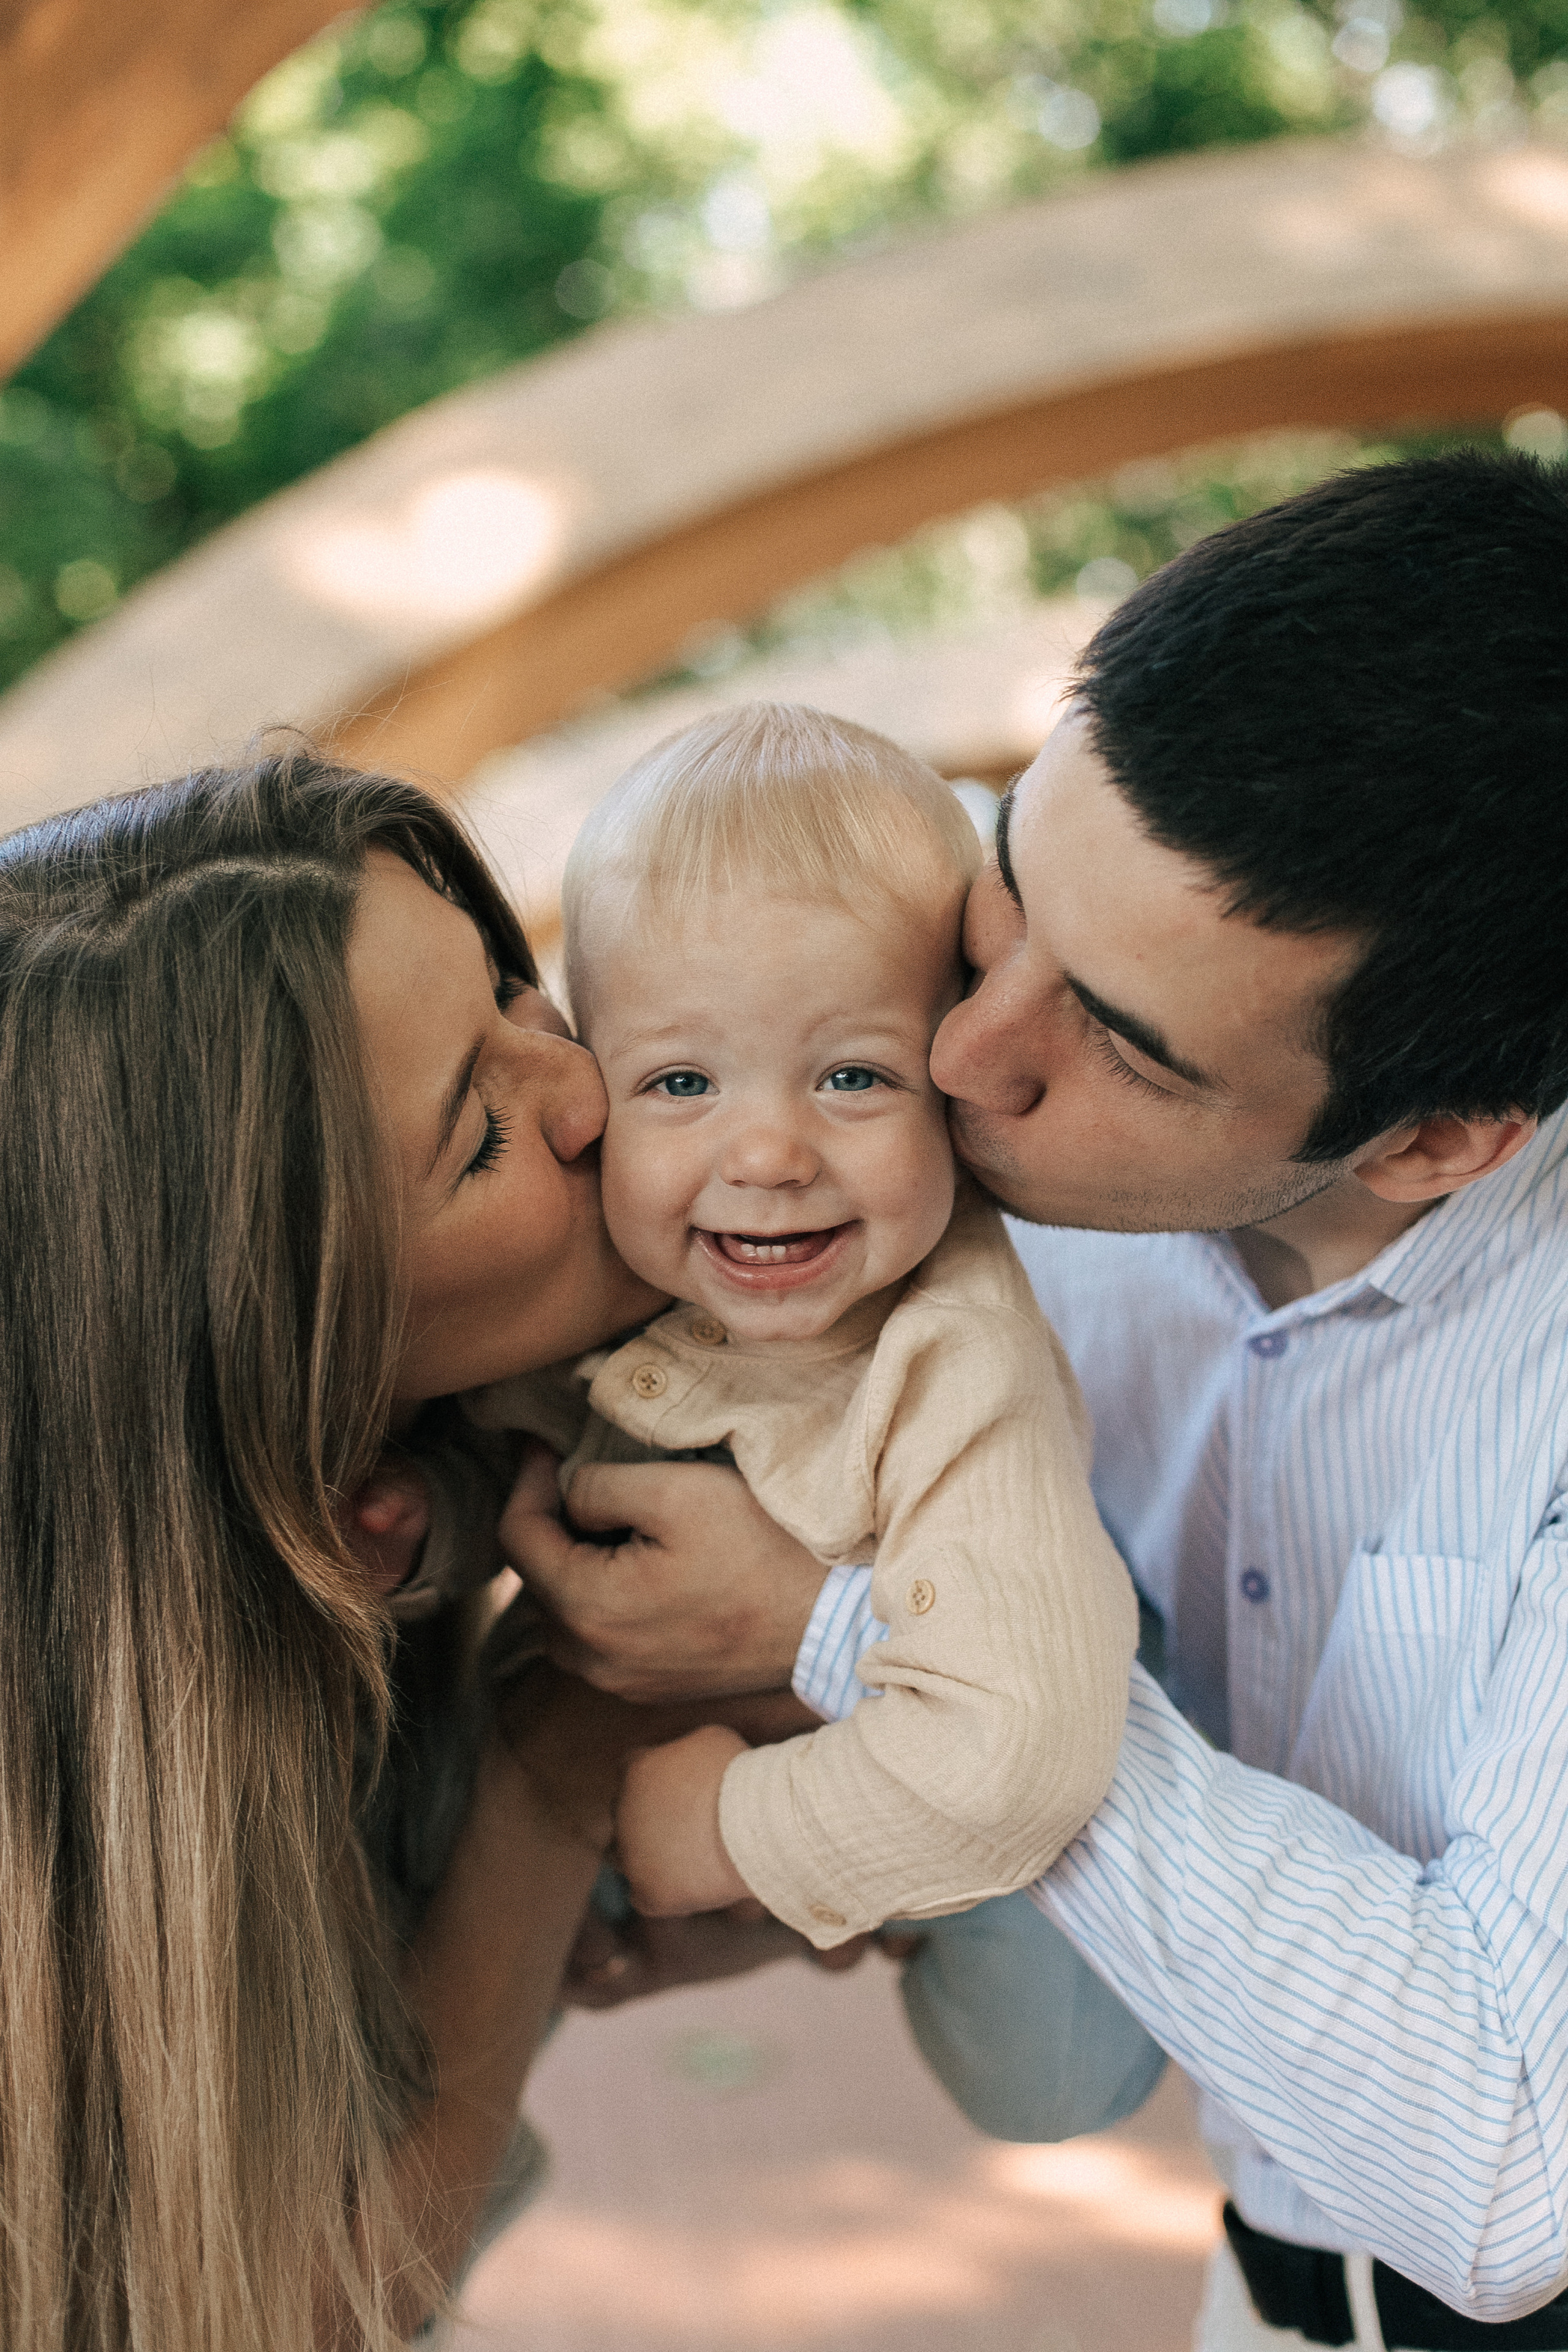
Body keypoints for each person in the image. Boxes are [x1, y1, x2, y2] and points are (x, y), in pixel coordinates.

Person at [502, 450, 1568, 2346]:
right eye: (1006, 894)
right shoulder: (936, 1148)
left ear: (1432, 1145)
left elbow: (1507, 2172)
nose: (965, 1055)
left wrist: (849, 1640)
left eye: (1123, 1044)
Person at [0, 751, 785, 2352]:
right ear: (264, 1347)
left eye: (512, 985)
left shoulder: (405, 1475)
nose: (587, 1091)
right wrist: (552, 1779)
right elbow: (288, 2299)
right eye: (478, 1141)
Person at [444, 703, 1136, 1941]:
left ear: (957, 1082)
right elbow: (507, 1432)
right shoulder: (623, 1254)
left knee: (1034, 2081)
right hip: (596, 1781)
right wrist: (419, 1517)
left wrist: (715, 1830)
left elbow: (1018, 1765)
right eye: (681, 1082)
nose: (764, 1153)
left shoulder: (950, 1360)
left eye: (853, 1076)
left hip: (958, 1850)